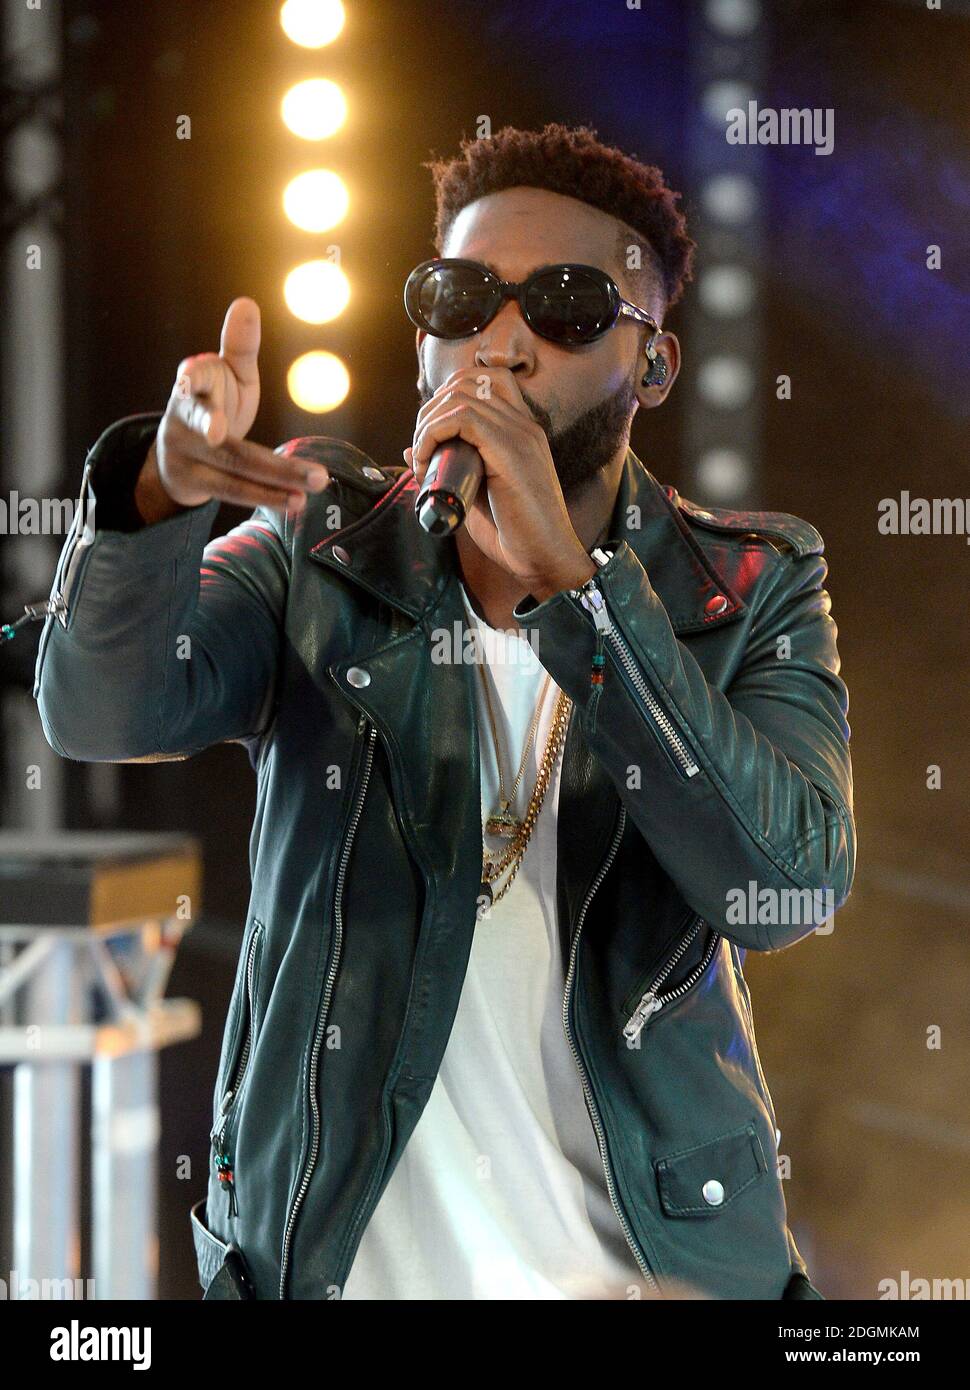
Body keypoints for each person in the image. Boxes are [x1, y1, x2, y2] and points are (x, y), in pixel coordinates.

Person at [35, 123, 854, 1300]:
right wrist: (154, 498)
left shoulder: (748, 588)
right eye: (461, 298)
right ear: (422, 338)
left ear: (655, 366)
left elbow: (789, 882)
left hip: (641, 1280)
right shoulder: (321, 551)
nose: (502, 341)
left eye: (566, 306)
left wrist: (582, 594)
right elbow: (101, 709)